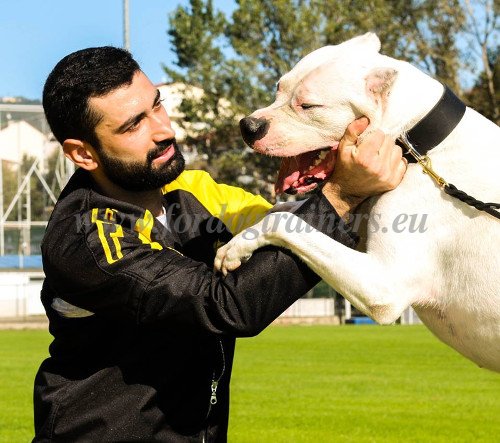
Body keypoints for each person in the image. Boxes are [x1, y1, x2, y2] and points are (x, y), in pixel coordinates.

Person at [33, 46, 406, 442]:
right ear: (82, 153)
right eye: (133, 126)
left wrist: (346, 175)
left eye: (157, 106)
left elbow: (281, 227)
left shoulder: (191, 191)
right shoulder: (87, 239)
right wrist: (341, 195)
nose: (164, 130)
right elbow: (226, 305)